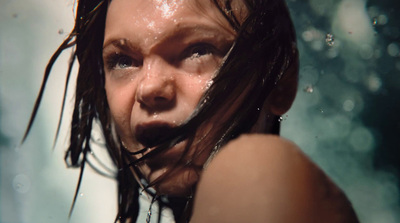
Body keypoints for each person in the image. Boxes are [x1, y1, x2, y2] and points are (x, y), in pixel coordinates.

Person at [24, 0, 360, 222]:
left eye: (198, 50)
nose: (149, 87)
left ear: (281, 81)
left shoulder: (255, 167)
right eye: (123, 61)